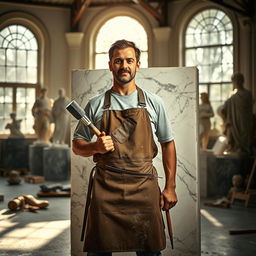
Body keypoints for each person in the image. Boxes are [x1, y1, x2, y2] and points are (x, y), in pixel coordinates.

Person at [72, 40, 177, 255]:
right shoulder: (96, 104)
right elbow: (77, 146)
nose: (124, 65)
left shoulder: (154, 103)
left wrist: (170, 187)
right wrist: (95, 147)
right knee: (99, 250)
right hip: (106, 188)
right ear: (110, 65)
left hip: (144, 187)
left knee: (150, 251)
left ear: (138, 64)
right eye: (118, 60)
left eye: (129, 60)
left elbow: (168, 144)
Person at [221, 73, 253, 154]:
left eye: (238, 81)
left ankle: (243, 148)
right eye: (235, 81)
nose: (236, 83)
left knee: (244, 135)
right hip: (234, 122)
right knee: (233, 134)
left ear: (242, 81)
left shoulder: (247, 94)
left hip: (245, 121)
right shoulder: (233, 97)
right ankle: (236, 147)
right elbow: (223, 109)